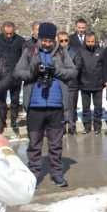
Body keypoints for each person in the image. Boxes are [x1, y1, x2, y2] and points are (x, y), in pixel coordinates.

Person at [15, 22, 77, 187]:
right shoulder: (30, 51)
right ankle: (34, 174)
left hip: (56, 106)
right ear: (39, 38)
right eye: (44, 40)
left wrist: (56, 70)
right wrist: (33, 72)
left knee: (55, 144)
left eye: (50, 40)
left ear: (54, 39)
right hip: (35, 106)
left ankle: (57, 173)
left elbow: (73, 71)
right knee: (34, 143)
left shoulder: (62, 53)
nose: (47, 44)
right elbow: (18, 72)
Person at [0, 21, 25, 133]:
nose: (9, 36)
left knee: (14, 100)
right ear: (3, 30)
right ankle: (2, 121)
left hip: (16, 75)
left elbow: (24, 57)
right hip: (1, 76)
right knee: (1, 100)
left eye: (11, 34)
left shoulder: (20, 41)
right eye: (7, 34)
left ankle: (14, 121)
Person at [77, 32, 104, 134]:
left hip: (98, 84)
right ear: (85, 41)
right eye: (88, 41)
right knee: (86, 108)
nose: (90, 43)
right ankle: (87, 127)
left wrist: (104, 81)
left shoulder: (101, 51)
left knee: (98, 107)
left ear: (95, 41)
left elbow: (105, 66)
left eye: (92, 41)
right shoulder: (81, 51)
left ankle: (97, 127)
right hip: (85, 84)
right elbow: (78, 67)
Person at [59, 31, 82, 135]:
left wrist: (66, 73)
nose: (64, 42)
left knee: (72, 106)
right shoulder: (54, 53)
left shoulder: (75, 52)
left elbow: (77, 67)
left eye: (66, 40)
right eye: (61, 40)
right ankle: (62, 126)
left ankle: (72, 126)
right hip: (59, 83)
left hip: (72, 83)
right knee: (61, 106)